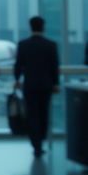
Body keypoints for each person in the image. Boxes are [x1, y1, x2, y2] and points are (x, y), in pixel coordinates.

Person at [13, 16, 60, 158]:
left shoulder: (23, 44)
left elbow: (18, 65)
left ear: (30, 27)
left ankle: (36, 145)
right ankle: (42, 140)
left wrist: (17, 79)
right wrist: (55, 83)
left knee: (33, 114)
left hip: (30, 85)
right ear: (43, 27)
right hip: (46, 85)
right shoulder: (51, 45)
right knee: (43, 113)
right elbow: (54, 66)